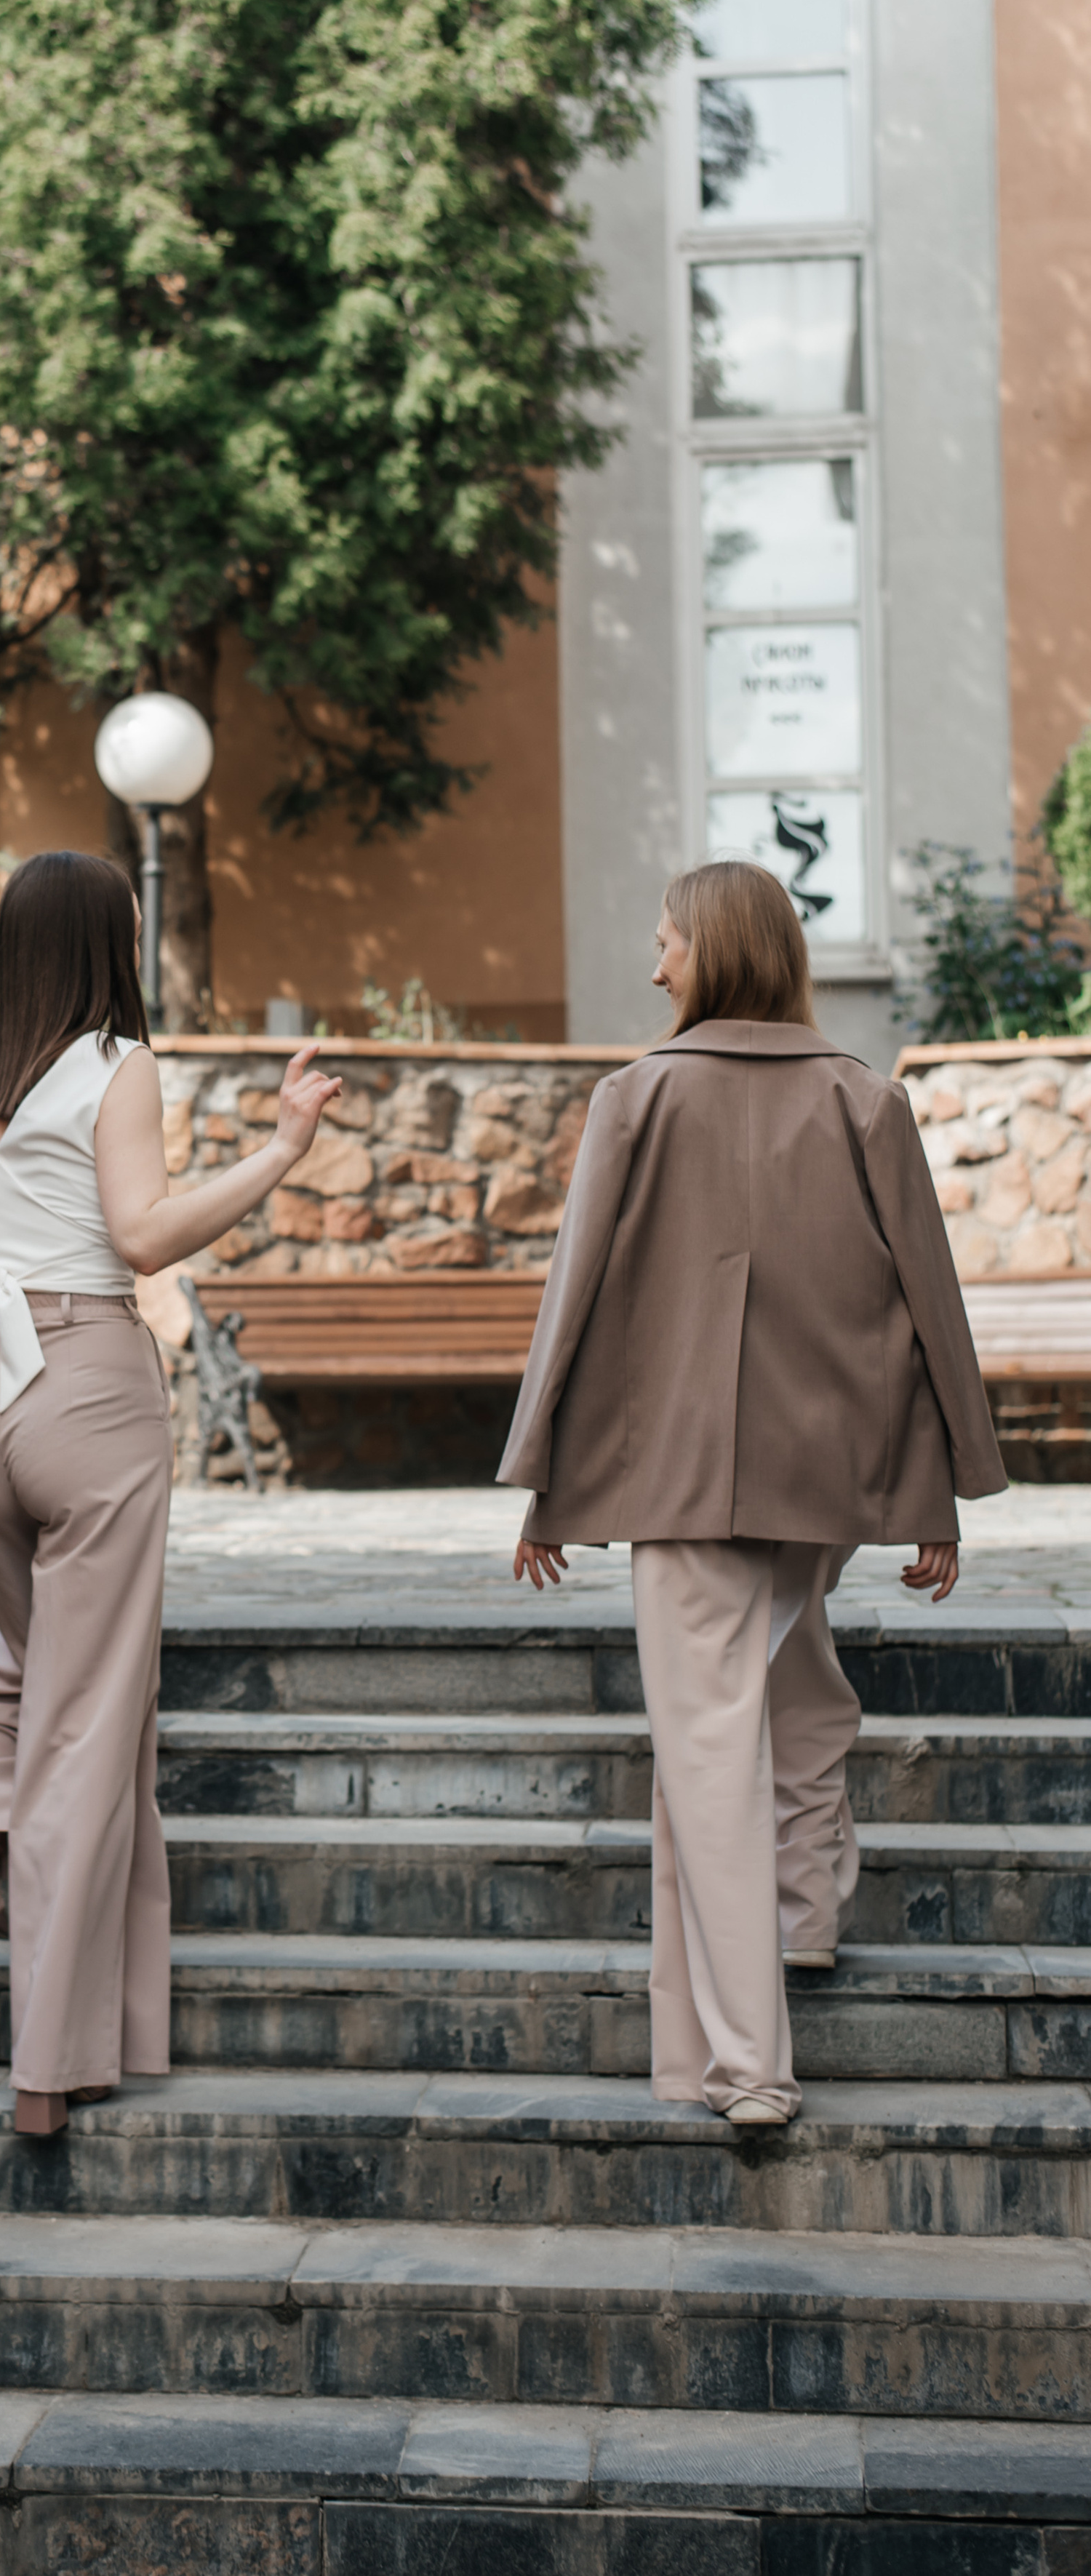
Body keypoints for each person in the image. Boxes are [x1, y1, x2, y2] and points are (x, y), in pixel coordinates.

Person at [0, 849, 341, 2137]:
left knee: (40, 1658)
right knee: (85, 1726)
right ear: (103, 941)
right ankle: (47, 2069)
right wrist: (281, 1149)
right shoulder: (120, 1064)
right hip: (84, 1390)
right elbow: (146, 1235)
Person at [498, 860, 1004, 2125]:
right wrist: (940, 1488)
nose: (653, 964)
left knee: (707, 1749)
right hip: (827, 1481)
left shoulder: (635, 1101)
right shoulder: (863, 1102)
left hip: (676, 1484)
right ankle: (805, 1910)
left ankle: (747, 2064)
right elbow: (931, 1300)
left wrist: (545, 1484)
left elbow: (574, 1306)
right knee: (794, 1678)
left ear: (711, 956)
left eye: (666, 941)